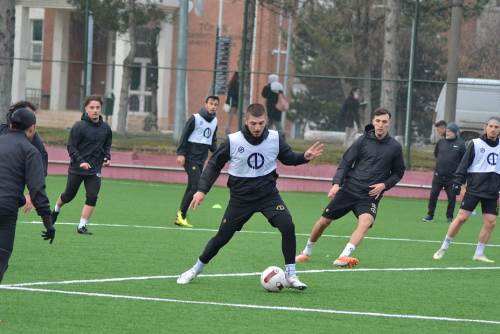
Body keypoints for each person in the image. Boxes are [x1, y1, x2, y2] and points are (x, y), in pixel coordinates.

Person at [176, 103, 324, 289]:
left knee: (287, 225)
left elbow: (288, 158)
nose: (257, 127)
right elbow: (214, 165)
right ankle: (195, 269)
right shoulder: (233, 141)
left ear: (266, 121)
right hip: (241, 199)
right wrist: (202, 189)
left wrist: (304, 156)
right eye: (253, 123)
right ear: (246, 121)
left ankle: (291, 275)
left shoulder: (275, 138)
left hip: (268, 196)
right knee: (222, 237)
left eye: (261, 123)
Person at [296, 108, 405, 267]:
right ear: (373, 122)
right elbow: (345, 163)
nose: (380, 125)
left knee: (366, 222)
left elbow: (398, 173)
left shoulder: (395, 147)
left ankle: (343, 256)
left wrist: (384, 185)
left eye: (384, 122)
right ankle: (306, 251)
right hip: (349, 189)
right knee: (324, 221)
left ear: (389, 124)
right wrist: (336, 184)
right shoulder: (362, 141)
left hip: (369, 195)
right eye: (378, 121)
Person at [433, 117, 500, 263]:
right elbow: (464, 164)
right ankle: (444, 246)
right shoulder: (475, 144)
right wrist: (458, 182)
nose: (493, 129)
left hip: (492, 191)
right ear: (485, 127)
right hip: (474, 189)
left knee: (491, 222)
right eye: (491, 126)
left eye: (496, 127)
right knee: (461, 218)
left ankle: (479, 253)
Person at [0, 108, 55, 283]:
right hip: (5, 212)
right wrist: (48, 223)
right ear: (31, 129)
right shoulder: (30, 151)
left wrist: (20, 199)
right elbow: (37, 190)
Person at [51, 95, 112, 235]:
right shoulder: (79, 127)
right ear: (86, 109)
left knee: (92, 196)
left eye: (97, 107)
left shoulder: (106, 128)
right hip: (77, 168)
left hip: (95, 169)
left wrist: (107, 157)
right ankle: (55, 209)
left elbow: (107, 145)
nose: (95, 110)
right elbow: (71, 147)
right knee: (68, 196)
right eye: (92, 107)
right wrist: (81, 161)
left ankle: (81, 226)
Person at [175, 95, 219, 228]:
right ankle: (181, 215)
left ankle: (180, 217)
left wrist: (217, 154)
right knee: (196, 186)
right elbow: (184, 135)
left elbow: (212, 140)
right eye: (211, 103)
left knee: (192, 186)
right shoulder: (195, 118)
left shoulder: (215, 121)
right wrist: (181, 153)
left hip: (201, 159)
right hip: (190, 158)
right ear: (205, 104)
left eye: (216, 104)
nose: (213, 106)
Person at [422, 122, 466, 223]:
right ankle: (430, 215)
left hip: (452, 178)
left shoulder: (461, 144)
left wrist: (461, 178)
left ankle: (449, 217)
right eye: (447, 130)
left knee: (452, 198)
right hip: (438, 176)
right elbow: (436, 154)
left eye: (450, 131)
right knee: (433, 196)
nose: (447, 132)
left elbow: (464, 161)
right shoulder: (441, 142)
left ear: (455, 133)